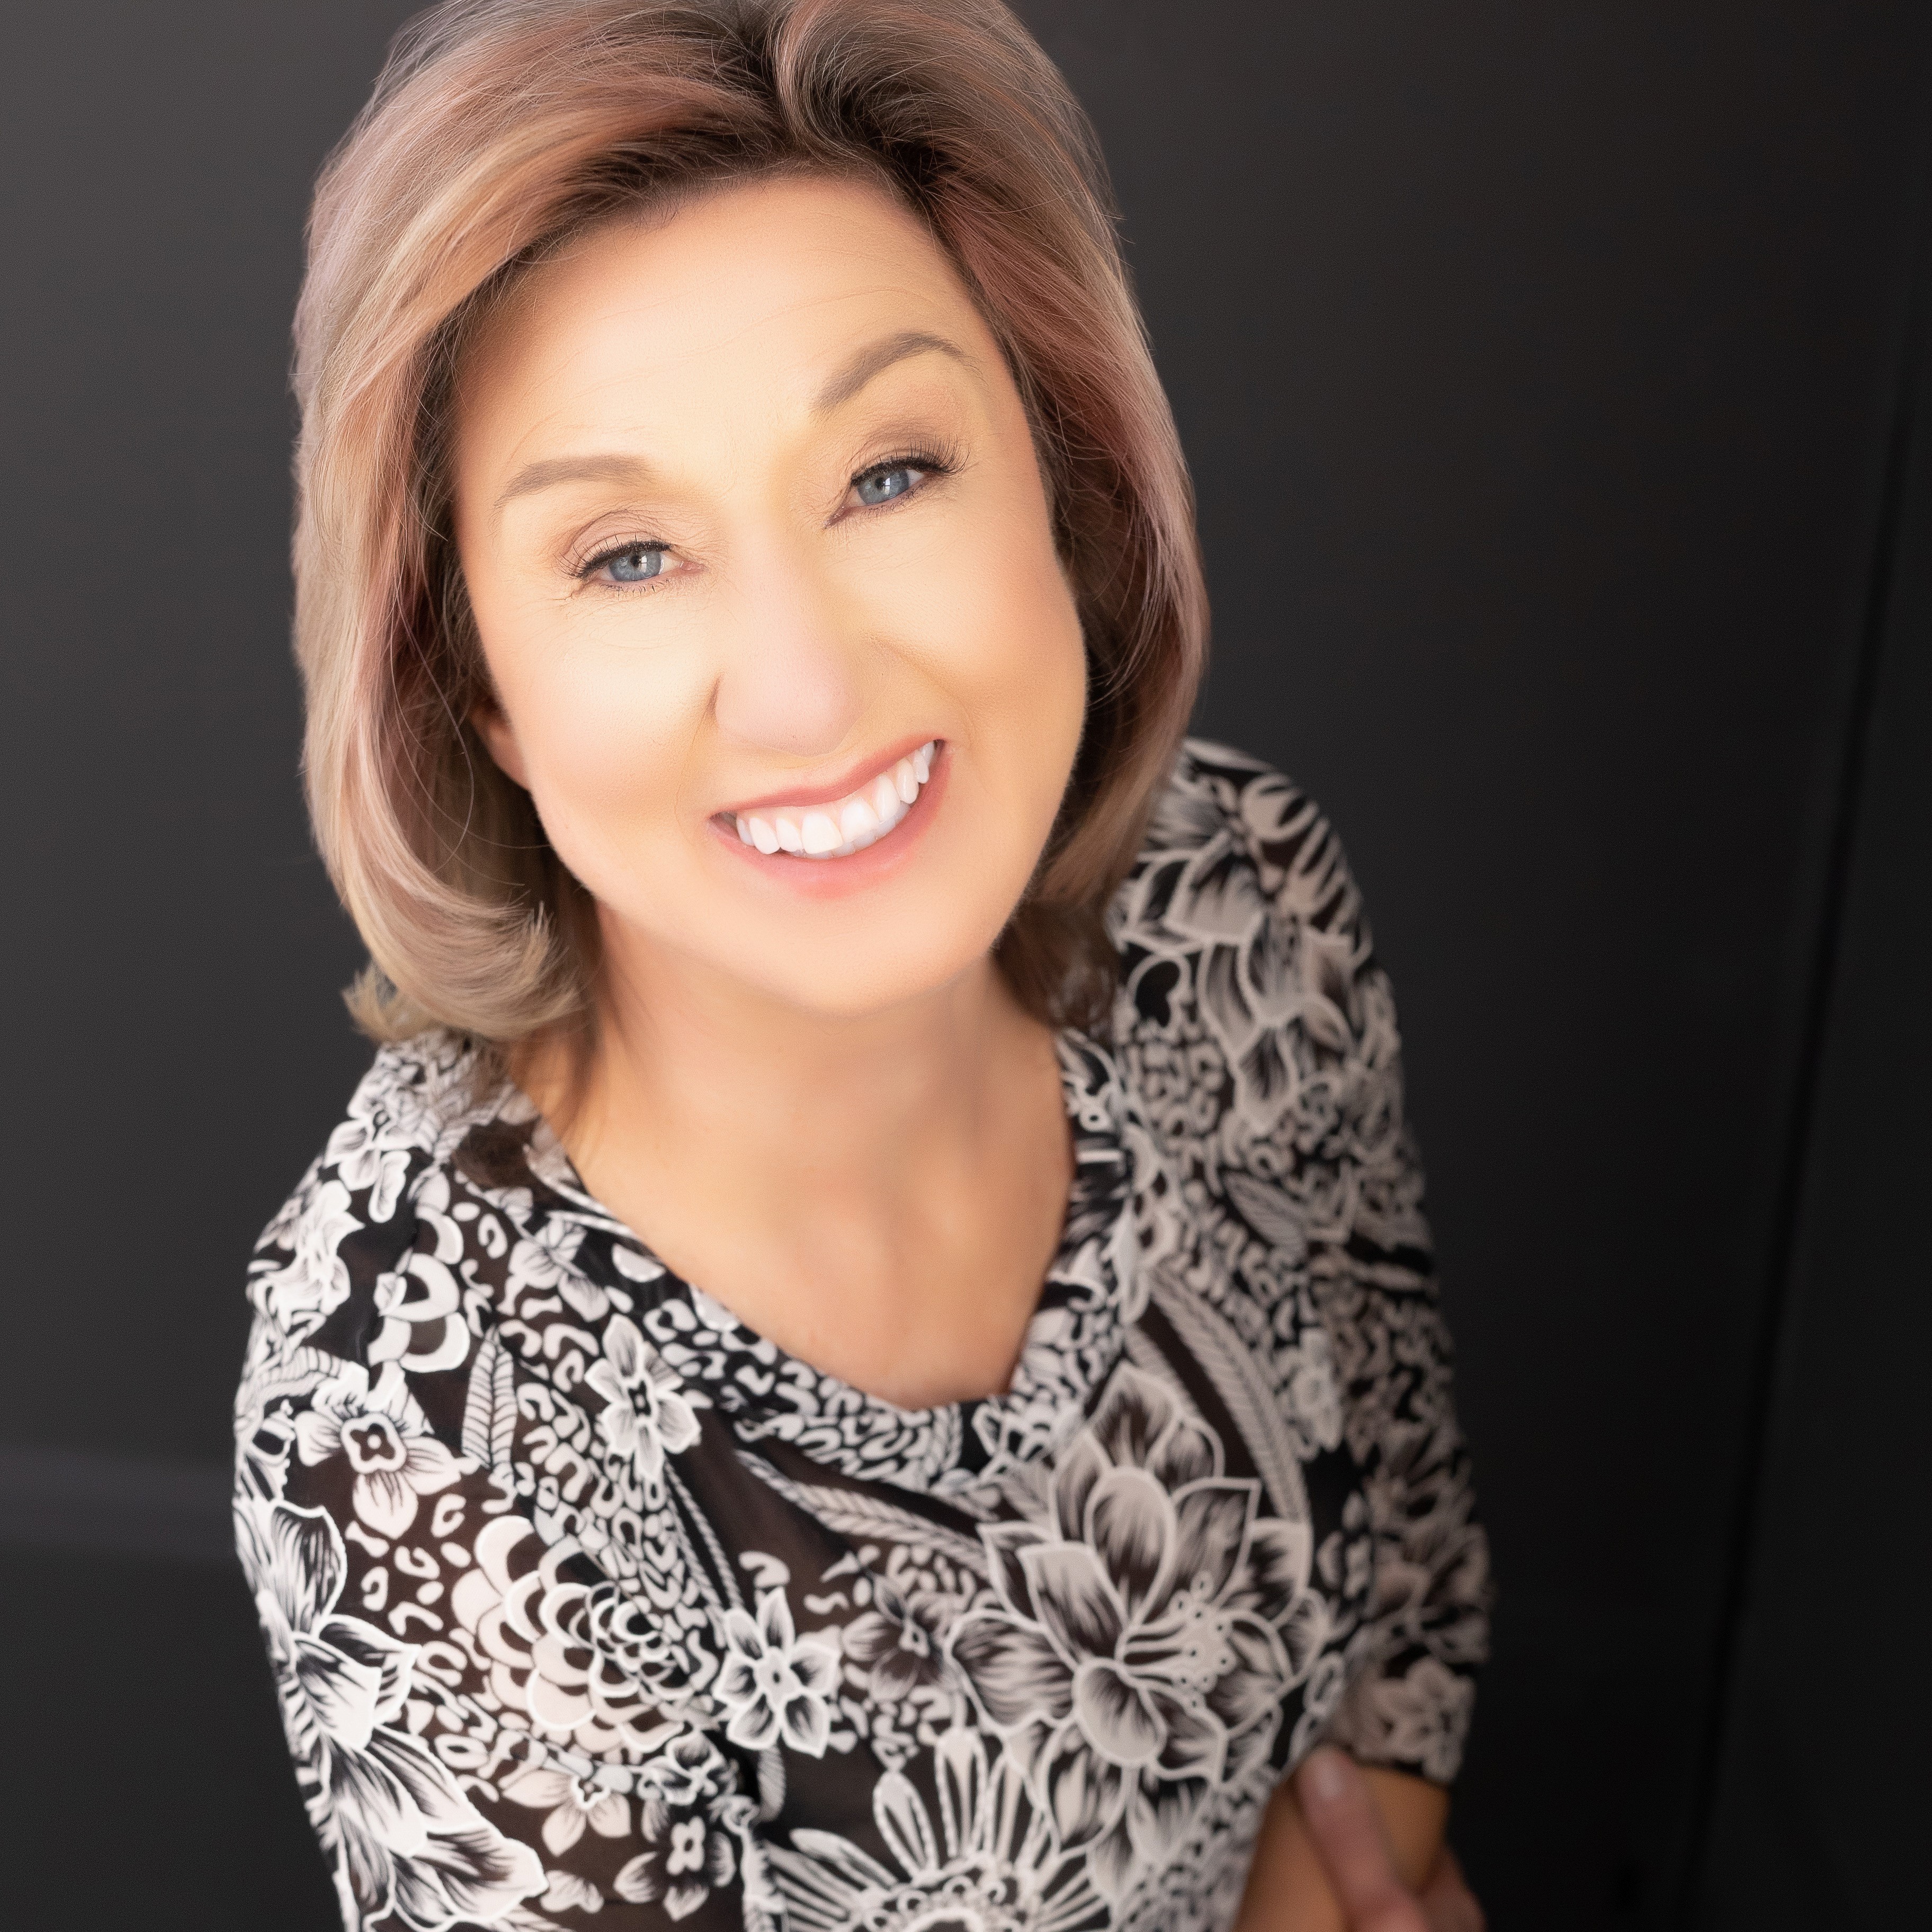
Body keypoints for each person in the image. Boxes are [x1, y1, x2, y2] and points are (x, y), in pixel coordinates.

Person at [232, 3, 1491, 1927]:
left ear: (1061, 482)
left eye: (889, 474)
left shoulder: (1238, 901)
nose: (809, 690)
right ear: (473, 690)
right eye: (627, 556)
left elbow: (1402, 1629)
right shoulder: (408, 1399)